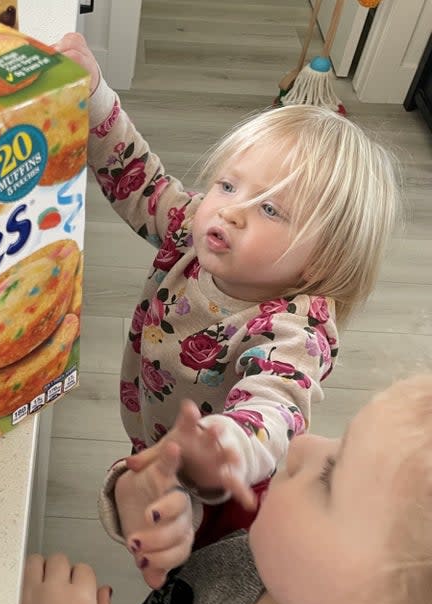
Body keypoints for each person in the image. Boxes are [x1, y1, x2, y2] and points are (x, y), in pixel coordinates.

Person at [55, 33, 402, 567]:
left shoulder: (297, 331)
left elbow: (277, 404)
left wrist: (225, 448)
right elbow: (135, 175)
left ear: (320, 261)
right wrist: (95, 95)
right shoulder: (195, 230)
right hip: (160, 434)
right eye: (229, 185)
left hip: (228, 480)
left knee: (206, 572)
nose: (230, 212)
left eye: (270, 210)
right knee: (151, 520)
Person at [9, 374, 432, 604]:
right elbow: (165, 533)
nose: (303, 445)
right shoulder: (276, 567)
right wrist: (144, 501)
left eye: (330, 477)